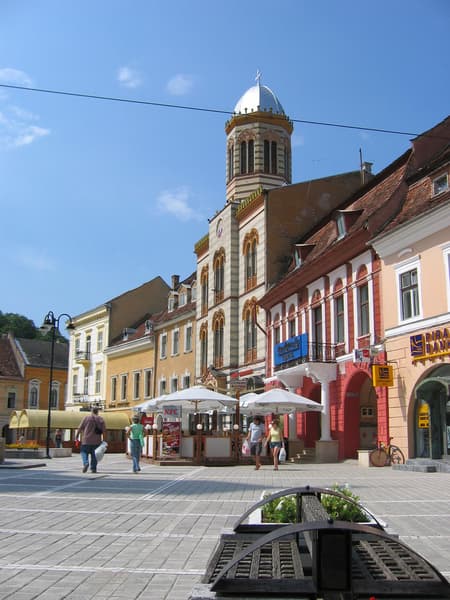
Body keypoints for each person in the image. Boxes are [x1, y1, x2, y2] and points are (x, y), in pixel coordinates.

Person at [76, 407, 106, 473]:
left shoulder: (86, 418)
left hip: (86, 440)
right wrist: (104, 440)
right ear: (97, 412)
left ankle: (86, 463)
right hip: (97, 441)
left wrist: (77, 436)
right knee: (94, 455)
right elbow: (104, 431)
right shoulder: (101, 419)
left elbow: (79, 428)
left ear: (91, 411)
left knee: (83, 452)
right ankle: (93, 468)